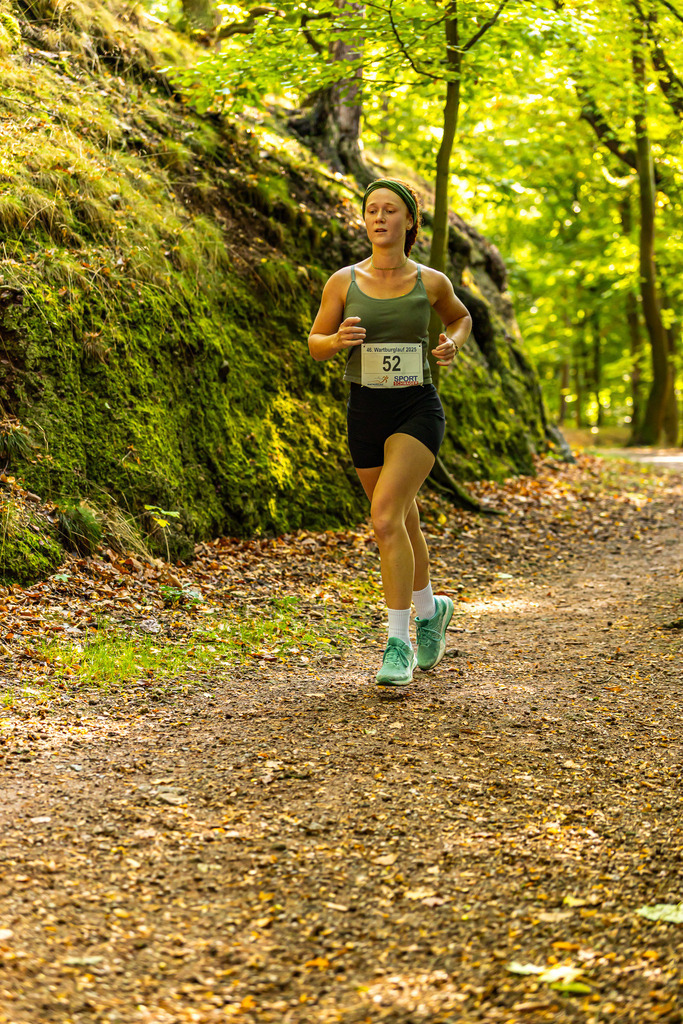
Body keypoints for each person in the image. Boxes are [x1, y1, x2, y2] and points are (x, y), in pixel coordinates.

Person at [308, 178, 472, 687]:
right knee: (403, 519)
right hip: (365, 409)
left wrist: (451, 342)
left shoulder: (431, 282)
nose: (379, 217)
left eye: (390, 210)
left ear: (409, 222)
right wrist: (336, 340)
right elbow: (315, 342)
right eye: (371, 210)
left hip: (416, 407)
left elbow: (462, 318)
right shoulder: (342, 281)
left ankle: (397, 641)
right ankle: (431, 609)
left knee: (383, 518)